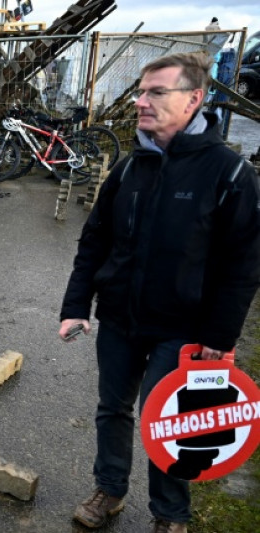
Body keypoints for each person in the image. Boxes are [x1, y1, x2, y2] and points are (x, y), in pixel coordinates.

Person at [59, 52, 260, 533]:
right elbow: (95, 239)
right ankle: (109, 489)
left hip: (185, 329)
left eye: (155, 92)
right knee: (113, 408)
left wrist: (220, 334)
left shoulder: (230, 173)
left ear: (194, 98)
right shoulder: (131, 168)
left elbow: (244, 263)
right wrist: (75, 305)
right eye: (140, 92)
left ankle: (169, 514)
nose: (140, 102)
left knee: (168, 419)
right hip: (121, 318)